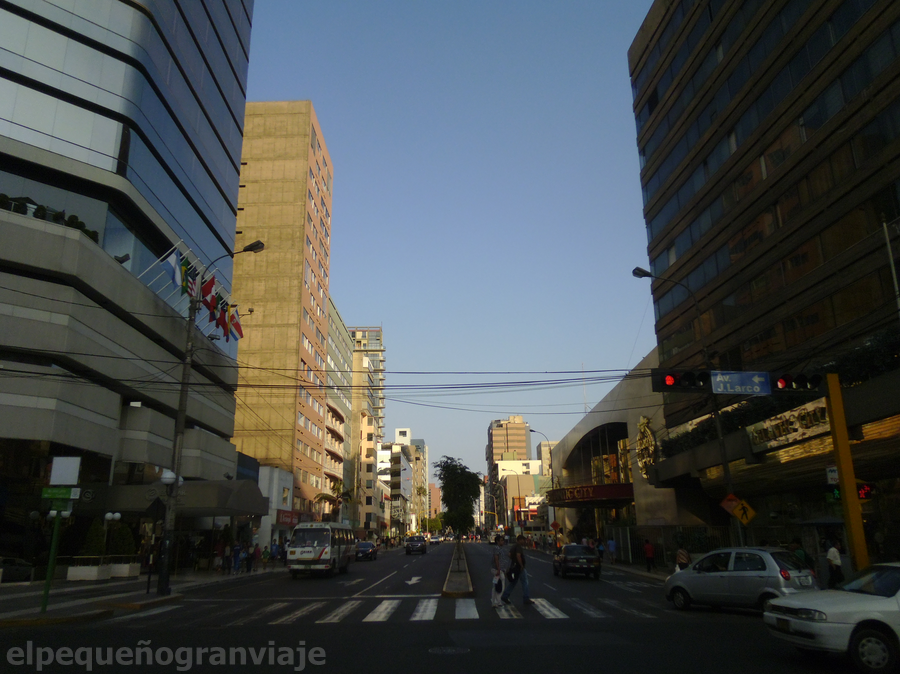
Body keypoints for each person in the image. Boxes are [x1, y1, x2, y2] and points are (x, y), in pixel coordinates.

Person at [501, 534, 534, 606]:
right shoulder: (518, 547)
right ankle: (526, 598)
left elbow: (509, 554)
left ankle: (505, 596)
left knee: (514, 582)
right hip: (519, 567)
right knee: (525, 582)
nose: (524, 541)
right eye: (523, 540)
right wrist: (521, 565)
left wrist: (514, 560)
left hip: (514, 567)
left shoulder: (513, 546)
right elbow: (518, 556)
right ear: (519, 540)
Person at [491, 535, 509, 607]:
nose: (503, 541)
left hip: (499, 570)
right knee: (501, 586)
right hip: (497, 570)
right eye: (501, 540)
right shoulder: (497, 548)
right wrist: (498, 569)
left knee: (495, 585)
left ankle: (495, 602)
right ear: (497, 541)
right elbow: (496, 559)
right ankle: (498, 601)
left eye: (503, 540)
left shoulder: (500, 548)